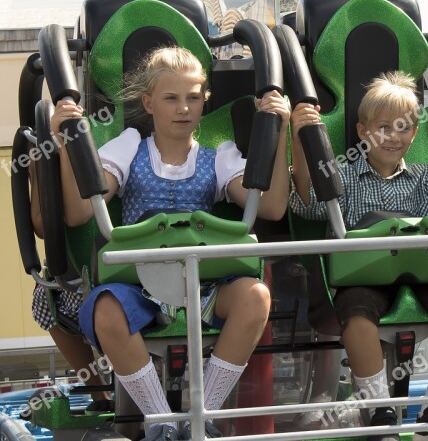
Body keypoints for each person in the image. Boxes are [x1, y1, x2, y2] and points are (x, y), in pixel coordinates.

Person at [51, 46, 290, 441]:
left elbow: (273, 207)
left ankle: (202, 418)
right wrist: (65, 142)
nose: (184, 108)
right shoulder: (129, 148)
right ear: (149, 103)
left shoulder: (219, 157)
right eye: (171, 99)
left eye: (194, 98)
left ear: (204, 101)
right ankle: (162, 421)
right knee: (105, 309)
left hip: (202, 286)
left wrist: (278, 135)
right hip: (139, 286)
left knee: (256, 296)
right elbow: (78, 213)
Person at [289, 71, 428, 441]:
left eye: (403, 128)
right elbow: (307, 203)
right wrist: (298, 139)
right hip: (365, 276)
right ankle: (379, 410)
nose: (394, 137)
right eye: (383, 129)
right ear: (363, 133)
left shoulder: (423, 178)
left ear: (414, 132)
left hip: (419, 271)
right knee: (357, 313)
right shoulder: (341, 177)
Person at [27, 163, 113, 414]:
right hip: (86, 274)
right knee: (48, 296)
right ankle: (100, 391)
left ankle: (107, 390)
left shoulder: (124, 148)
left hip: (124, 267)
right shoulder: (50, 149)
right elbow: (45, 224)